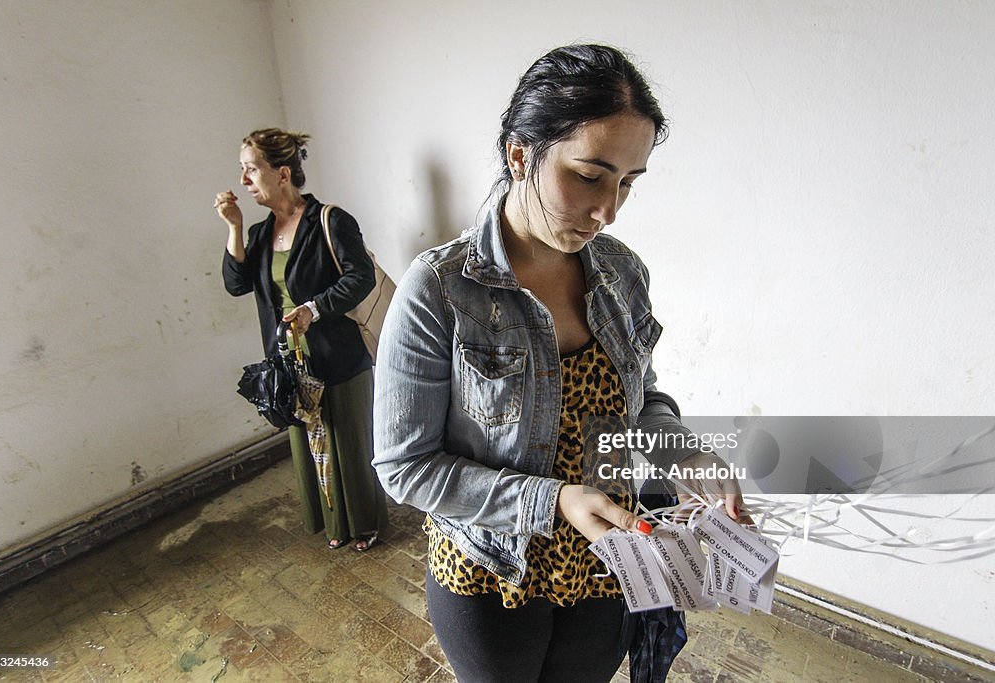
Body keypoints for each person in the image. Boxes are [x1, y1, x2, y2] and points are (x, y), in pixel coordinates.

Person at [373, 45, 749, 682]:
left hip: (610, 556)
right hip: (493, 571)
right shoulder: (440, 290)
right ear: (522, 156)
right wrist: (552, 503)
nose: (608, 211)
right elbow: (405, 467)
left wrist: (680, 450)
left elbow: (641, 399)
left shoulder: (622, 272)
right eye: (589, 175)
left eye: (628, 183)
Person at [217, 128, 388, 552]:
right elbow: (235, 284)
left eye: (251, 168)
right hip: (289, 365)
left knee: (348, 442)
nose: (244, 180)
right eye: (242, 170)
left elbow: (360, 277)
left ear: (282, 173)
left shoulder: (330, 220)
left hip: (338, 355)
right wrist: (235, 228)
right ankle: (333, 523)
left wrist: (314, 308)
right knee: (309, 447)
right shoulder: (259, 234)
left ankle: (364, 524)